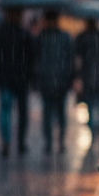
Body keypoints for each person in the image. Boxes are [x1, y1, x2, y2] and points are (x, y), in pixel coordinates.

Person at [0, 6, 34, 157]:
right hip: (20, 78)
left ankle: (6, 142)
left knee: (5, 111)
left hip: (5, 78)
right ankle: (20, 142)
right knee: (21, 112)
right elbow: (31, 59)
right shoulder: (25, 34)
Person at [35, 10, 75, 153]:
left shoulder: (42, 37)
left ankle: (52, 142)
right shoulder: (63, 37)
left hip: (51, 80)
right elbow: (71, 59)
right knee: (58, 113)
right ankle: (57, 141)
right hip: (59, 79)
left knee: (51, 113)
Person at [75, 18, 99, 148]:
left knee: (91, 104)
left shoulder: (82, 37)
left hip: (88, 75)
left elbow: (77, 56)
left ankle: (93, 130)